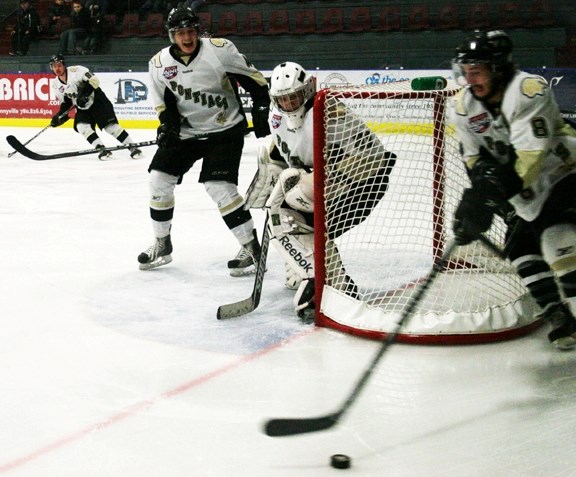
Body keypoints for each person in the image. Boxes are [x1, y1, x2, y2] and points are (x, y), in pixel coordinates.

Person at [450, 29, 576, 350]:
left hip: (562, 176)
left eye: (476, 72)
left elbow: (531, 158)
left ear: (498, 68)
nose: (470, 80)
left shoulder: (528, 90)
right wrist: (476, 200)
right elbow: (474, 157)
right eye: (465, 72)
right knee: (519, 247)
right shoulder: (465, 106)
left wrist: (489, 196)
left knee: (557, 240)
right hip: (524, 191)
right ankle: (557, 313)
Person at [244, 62, 396, 321]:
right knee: (281, 213)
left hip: (362, 184)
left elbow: (374, 159)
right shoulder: (276, 116)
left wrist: (316, 181)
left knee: (300, 216)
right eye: (283, 99)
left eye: (294, 97)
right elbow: (285, 150)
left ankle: (326, 282)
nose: (289, 104)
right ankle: (312, 272)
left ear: (307, 91)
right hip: (324, 181)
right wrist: (271, 172)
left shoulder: (328, 112)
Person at [138, 7, 270, 273]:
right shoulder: (159, 64)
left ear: (197, 31)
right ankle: (162, 243)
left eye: (190, 32)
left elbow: (255, 80)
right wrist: (167, 127)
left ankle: (250, 246)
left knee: (218, 186)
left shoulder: (220, 50)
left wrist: (261, 107)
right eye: (179, 33)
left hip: (225, 131)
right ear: (171, 36)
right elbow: (165, 105)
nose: (186, 38)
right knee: (158, 180)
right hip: (188, 134)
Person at [48, 54, 143, 160]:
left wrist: (84, 95)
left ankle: (133, 148)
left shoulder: (77, 71)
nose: (57, 68)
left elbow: (94, 81)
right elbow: (66, 104)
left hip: (98, 101)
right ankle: (102, 149)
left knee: (110, 127)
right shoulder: (56, 85)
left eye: (59, 65)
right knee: (81, 126)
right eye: (54, 66)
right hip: (83, 107)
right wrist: (59, 117)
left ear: (64, 65)